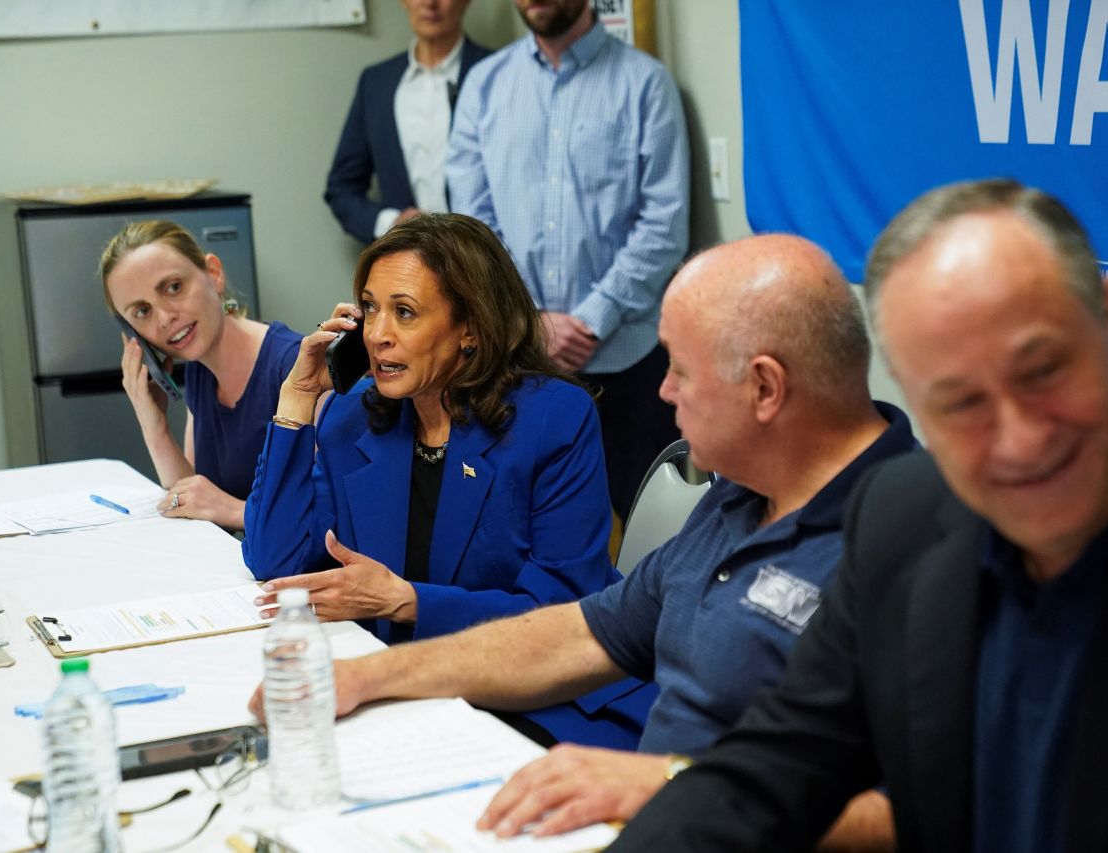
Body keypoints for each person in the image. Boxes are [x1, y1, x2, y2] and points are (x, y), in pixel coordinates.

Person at [611, 179, 1108, 852]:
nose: (1020, 440)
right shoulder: (901, 517)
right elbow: (778, 764)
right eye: (960, 404)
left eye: (1043, 371)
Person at [250, 234, 915, 849]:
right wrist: (363, 676)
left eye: (681, 370)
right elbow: (582, 633)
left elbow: (939, 807)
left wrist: (670, 783)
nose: (662, 391)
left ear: (765, 387)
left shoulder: (913, 538)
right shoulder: (740, 495)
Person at [243, 212, 649, 748]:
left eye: (404, 313)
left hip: (544, 701)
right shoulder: (353, 418)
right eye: (369, 309)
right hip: (411, 689)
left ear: (471, 330)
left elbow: (562, 613)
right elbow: (276, 559)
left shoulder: (553, 419)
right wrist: (295, 401)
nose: (377, 335)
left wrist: (406, 600)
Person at [446, 0, 689, 522]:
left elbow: (664, 225)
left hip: (627, 362)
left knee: (653, 536)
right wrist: (527, 320)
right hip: (515, 364)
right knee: (522, 534)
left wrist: (590, 321)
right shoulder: (484, 86)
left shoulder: (645, 84)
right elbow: (472, 227)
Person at [100, 220, 302, 531]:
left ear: (214, 274)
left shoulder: (295, 368)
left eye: (174, 287)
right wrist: (155, 427)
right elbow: (192, 499)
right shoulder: (200, 373)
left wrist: (234, 510)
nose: (166, 318)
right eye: (142, 311)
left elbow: (334, 521)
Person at [324, 0, 491, 243]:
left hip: (486, 262)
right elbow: (342, 189)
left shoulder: (498, 73)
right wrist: (391, 223)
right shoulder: (376, 83)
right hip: (405, 264)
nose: (430, 3)